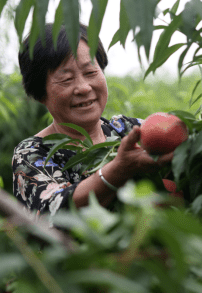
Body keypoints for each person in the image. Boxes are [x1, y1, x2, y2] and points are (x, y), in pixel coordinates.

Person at [12, 23, 173, 217]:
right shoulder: (32, 154)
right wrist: (118, 170)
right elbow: (53, 209)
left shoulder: (129, 131)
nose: (84, 88)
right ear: (40, 93)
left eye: (90, 73)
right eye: (66, 79)